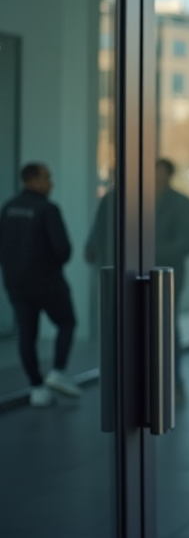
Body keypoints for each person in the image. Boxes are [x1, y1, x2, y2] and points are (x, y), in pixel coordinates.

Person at [0, 163, 81, 407]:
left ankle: (37, 388)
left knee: (27, 335)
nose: (51, 183)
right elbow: (62, 249)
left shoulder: (9, 207)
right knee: (67, 322)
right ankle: (57, 372)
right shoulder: (47, 209)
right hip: (47, 282)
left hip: (15, 282)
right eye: (47, 177)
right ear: (34, 180)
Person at [155, 158, 189, 395]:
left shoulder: (179, 202)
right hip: (136, 274)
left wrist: (156, 253)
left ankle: (175, 382)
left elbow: (188, 239)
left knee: (167, 327)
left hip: (167, 275)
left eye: (159, 172)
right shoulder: (134, 198)